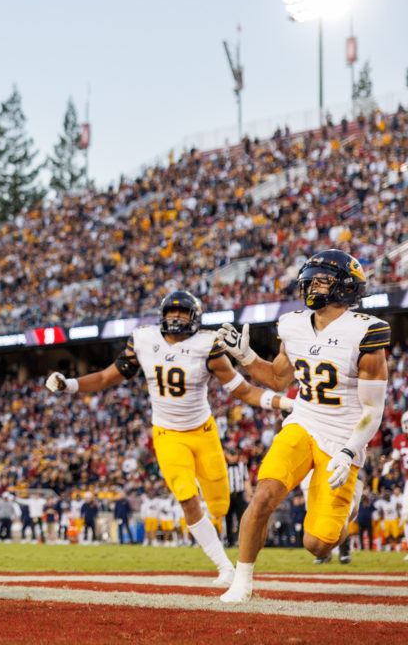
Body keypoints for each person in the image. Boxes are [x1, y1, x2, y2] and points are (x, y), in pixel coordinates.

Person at [46, 290, 293, 585]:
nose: (176, 317)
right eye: (171, 312)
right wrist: (69, 384)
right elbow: (104, 378)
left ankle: (229, 554)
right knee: (187, 497)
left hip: (203, 432)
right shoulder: (143, 339)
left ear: (195, 317)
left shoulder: (207, 344)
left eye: (183, 312)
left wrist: (282, 402)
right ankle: (224, 566)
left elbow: (242, 390)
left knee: (220, 506)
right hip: (167, 434)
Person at [218, 249, 389, 602]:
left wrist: (348, 450)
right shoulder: (293, 324)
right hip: (304, 422)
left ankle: (346, 513)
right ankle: (242, 582)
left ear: (345, 287)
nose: (311, 284)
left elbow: (373, 409)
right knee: (264, 494)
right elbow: (279, 379)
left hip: (343, 435)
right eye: (310, 278)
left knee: (318, 544)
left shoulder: (368, 332)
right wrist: (246, 358)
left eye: (322, 279)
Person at [224, 447, 250, 547]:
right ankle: (229, 541)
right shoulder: (224, 466)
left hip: (239, 495)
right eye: (231, 455)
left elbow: (246, 480)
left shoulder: (242, 466)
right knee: (228, 519)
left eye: (235, 455)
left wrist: (249, 493)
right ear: (227, 455)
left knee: (242, 518)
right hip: (228, 495)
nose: (233, 457)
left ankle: (241, 541)